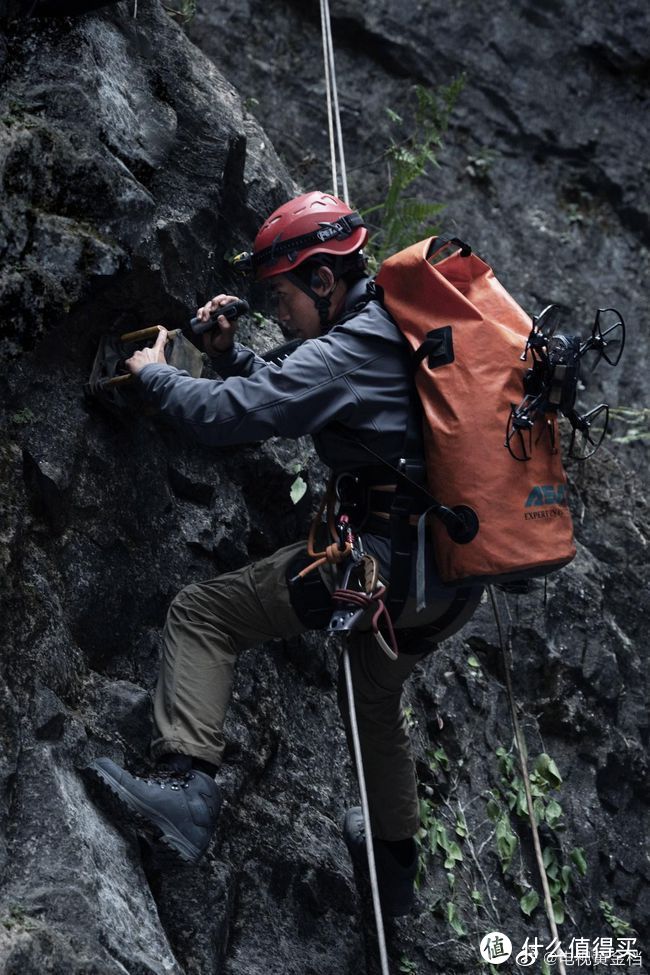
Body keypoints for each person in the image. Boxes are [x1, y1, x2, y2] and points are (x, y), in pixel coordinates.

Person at [85, 191, 482, 916]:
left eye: (282, 294)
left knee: (204, 613)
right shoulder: (391, 326)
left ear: (324, 281)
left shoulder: (348, 348)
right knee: (373, 694)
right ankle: (394, 868)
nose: (278, 310)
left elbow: (228, 416)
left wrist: (155, 372)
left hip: (381, 573)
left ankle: (186, 792)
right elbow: (281, 385)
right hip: (449, 579)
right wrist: (228, 354)